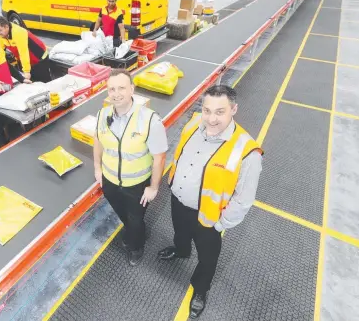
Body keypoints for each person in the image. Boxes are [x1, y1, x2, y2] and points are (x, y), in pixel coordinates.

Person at [157, 85, 263, 319]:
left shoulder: (247, 151)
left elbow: (244, 200)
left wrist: (221, 224)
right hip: (178, 201)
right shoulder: (194, 123)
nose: (211, 119)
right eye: (207, 110)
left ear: (234, 109)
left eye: (219, 112)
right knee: (180, 234)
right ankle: (181, 250)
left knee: (207, 258)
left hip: (209, 218)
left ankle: (201, 289)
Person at [94, 69, 167, 266]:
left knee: (136, 220)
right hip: (109, 181)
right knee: (122, 214)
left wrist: (153, 187)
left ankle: (137, 246)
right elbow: (98, 141)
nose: (116, 93)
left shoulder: (150, 120)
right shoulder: (102, 114)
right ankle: (132, 231)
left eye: (121, 88)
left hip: (137, 185)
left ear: (132, 89)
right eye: (111, 89)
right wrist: (97, 169)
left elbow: (159, 157)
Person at [0, 15, 52, 83]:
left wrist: (26, 71)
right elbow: (0, 53)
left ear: (6, 26)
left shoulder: (18, 32)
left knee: (44, 83)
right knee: (31, 83)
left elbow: (23, 53)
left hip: (39, 58)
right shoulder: (0, 35)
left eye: (0, 30)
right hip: (26, 60)